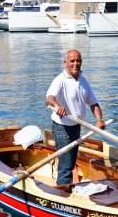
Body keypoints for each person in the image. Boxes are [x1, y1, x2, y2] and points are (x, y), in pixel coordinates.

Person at [45, 49, 105, 187]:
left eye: (78, 61)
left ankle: (67, 188)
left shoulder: (83, 81)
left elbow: (94, 103)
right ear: (65, 63)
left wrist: (99, 120)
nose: (75, 64)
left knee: (71, 162)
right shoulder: (60, 80)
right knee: (66, 164)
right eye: (72, 61)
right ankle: (63, 194)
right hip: (62, 128)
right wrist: (57, 106)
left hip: (76, 127)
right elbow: (49, 98)